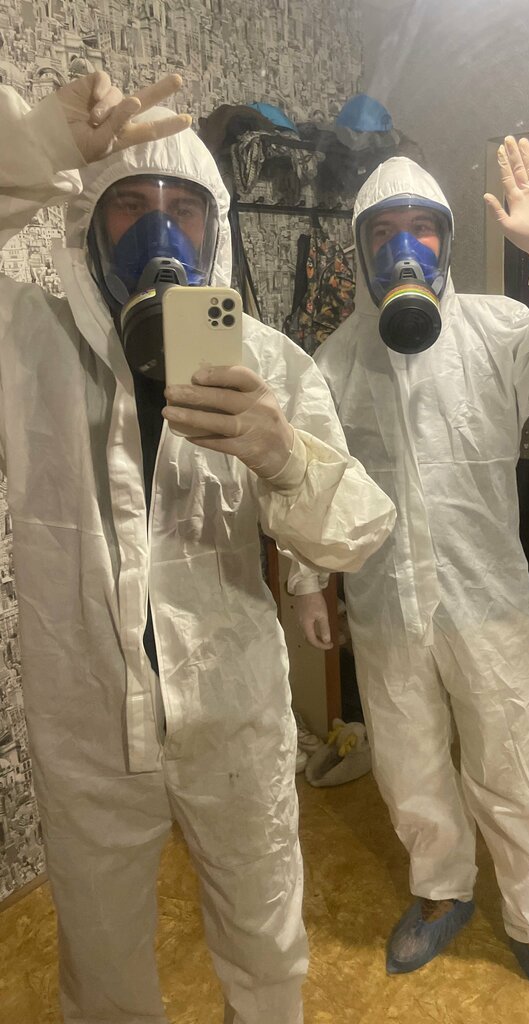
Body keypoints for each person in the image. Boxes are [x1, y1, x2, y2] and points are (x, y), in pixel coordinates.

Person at [0, 71, 395, 1024]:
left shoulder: (266, 361)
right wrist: (35, 150)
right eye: (129, 208)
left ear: (214, 228)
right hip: (88, 726)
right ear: (87, 227)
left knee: (266, 946)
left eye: (183, 209)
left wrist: (285, 457)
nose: (160, 234)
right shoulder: (26, 345)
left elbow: (356, 530)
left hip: (234, 717)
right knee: (102, 965)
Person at [291, 143, 529, 1024]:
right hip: (385, 605)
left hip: (484, 600)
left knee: (510, 764)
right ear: (360, 246)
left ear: (447, 240)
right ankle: (441, 890)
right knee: (409, 761)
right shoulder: (335, 360)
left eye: (422, 228)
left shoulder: (499, 331)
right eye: (385, 230)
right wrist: (309, 580)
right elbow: (311, 477)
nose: (404, 246)